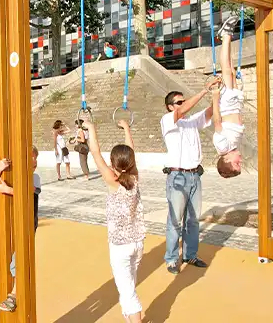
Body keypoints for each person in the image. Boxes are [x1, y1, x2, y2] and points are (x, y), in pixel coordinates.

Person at [84, 119, 145, 322]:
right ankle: (129, 317)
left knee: (128, 292)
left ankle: (135, 319)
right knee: (129, 286)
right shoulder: (134, 177)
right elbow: (131, 151)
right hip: (137, 242)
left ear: (112, 163)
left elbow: (95, 152)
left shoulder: (113, 181)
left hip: (120, 245)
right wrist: (127, 128)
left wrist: (91, 127)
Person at [160, 81, 218, 275]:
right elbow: (184, 109)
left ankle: (190, 254)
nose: (182, 104)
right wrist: (204, 90)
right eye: (178, 102)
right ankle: (171, 258)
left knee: (193, 220)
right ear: (170, 107)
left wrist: (219, 92)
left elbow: (210, 111)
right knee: (175, 220)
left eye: (183, 101)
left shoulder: (191, 121)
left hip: (194, 175)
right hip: (177, 177)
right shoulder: (167, 120)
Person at [0, 146, 41, 313]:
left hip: (27, 224)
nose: (34, 161)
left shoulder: (34, 178)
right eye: (31, 157)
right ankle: (14, 293)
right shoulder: (14, 176)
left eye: (36, 158)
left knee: (19, 259)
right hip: (12, 223)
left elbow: (28, 193)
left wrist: (7, 190)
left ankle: (13, 296)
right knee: (12, 259)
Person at [211, 15, 245, 178]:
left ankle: (226, 34)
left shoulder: (223, 147)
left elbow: (217, 122)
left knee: (225, 70)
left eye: (237, 163)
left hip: (227, 106)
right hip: (236, 105)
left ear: (227, 159)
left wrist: (215, 99)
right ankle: (227, 37)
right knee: (231, 71)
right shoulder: (231, 148)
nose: (240, 160)